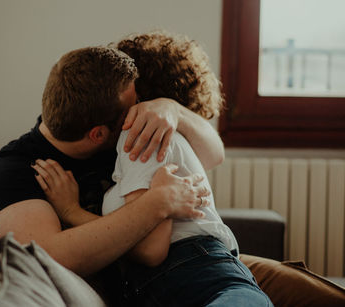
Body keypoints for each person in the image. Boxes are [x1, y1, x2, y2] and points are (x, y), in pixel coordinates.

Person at [34, 31, 272, 306]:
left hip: (202, 278)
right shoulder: (156, 135)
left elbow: (150, 250)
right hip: (193, 277)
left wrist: (71, 212)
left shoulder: (143, 132)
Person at [0, 46, 225, 282]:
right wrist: (159, 202)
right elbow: (50, 254)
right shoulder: (13, 172)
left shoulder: (117, 130)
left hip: (213, 258)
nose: (141, 107)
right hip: (173, 278)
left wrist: (173, 109)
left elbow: (214, 155)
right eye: (135, 102)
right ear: (98, 134)